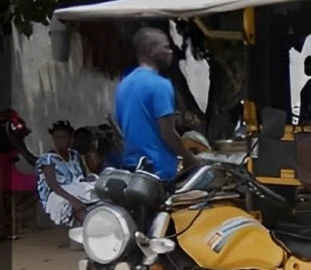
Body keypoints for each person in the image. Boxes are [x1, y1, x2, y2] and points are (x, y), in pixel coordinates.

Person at [115, 27, 200, 181]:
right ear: (150, 50)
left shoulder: (124, 84)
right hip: (159, 171)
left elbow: (122, 123)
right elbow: (167, 132)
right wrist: (191, 159)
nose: (171, 52)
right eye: (166, 47)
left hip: (132, 169)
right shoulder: (160, 85)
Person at [36, 121, 97, 226]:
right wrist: (73, 200)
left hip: (78, 189)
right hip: (59, 194)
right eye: (56, 137)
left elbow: (84, 176)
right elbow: (53, 186)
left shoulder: (75, 155)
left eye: (64, 137)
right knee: (79, 211)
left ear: (70, 138)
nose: (60, 141)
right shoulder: (48, 159)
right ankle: (92, 229)